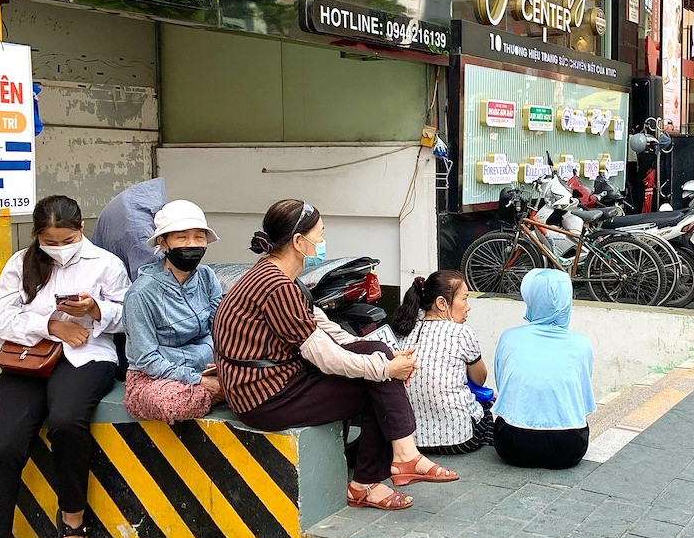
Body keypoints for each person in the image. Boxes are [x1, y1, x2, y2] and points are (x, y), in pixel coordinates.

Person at [212, 199, 455, 511]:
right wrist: (385, 370)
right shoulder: (276, 287)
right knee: (373, 386)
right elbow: (325, 356)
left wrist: (383, 357)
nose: (323, 242)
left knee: (376, 353)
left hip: (280, 378)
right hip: (264, 396)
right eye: (320, 235)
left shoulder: (279, 276)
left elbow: (328, 331)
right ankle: (375, 477)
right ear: (299, 242)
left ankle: (402, 457)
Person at [0, 196, 130, 538]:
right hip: (27, 360)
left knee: (68, 422)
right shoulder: (21, 263)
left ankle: (72, 519)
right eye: (50, 241)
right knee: (4, 444)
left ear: (80, 230)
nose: (59, 247)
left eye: (67, 239)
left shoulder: (106, 264)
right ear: (38, 236)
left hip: (87, 356)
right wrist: (52, 324)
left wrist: (94, 310)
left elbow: (127, 315)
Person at [122, 200, 225, 423]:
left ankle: (222, 390)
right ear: (163, 243)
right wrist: (197, 381)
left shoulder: (206, 277)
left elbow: (221, 326)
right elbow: (148, 359)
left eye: (199, 237)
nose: (192, 244)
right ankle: (224, 393)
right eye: (182, 237)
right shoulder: (141, 293)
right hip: (155, 377)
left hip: (206, 367)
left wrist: (224, 363)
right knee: (169, 403)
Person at [492, 269, 594, 469]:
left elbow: (503, 384)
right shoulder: (582, 344)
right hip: (569, 448)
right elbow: (580, 396)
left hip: (512, 444)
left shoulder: (509, 338)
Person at [391, 271, 493, 455]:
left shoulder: (403, 330)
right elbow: (479, 380)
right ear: (441, 303)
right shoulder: (462, 333)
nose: (468, 307)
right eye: (464, 299)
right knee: (486, 409)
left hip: (410, 441)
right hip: (459, 440)